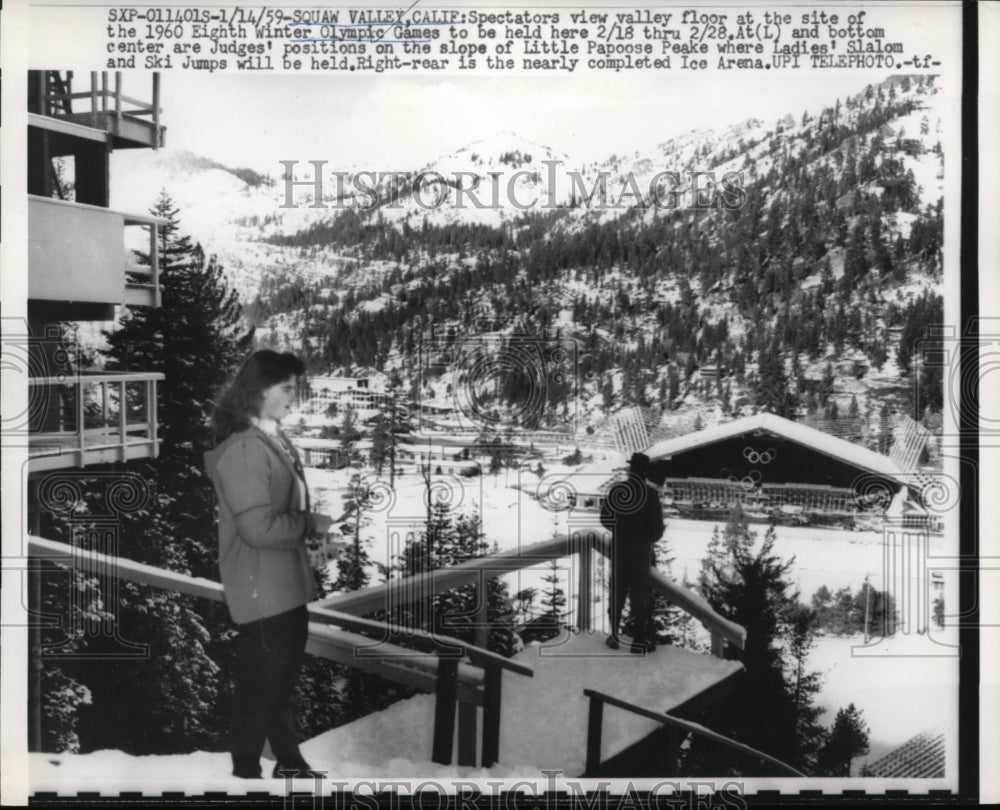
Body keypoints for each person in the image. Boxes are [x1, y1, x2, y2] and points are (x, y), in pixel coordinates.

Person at [205, 350, 332, 779]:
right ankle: (245, 773)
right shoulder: (244, 449)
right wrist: (308, 524)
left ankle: (288, 763)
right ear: (259, 391)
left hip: (281, 585)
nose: (294, 397)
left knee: (276, 683)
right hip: (263, 589)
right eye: (287, 389)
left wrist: (313, 533)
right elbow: (257, 529)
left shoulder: (268, 438)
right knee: (262, 686)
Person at [599, 452, 666, 654]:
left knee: (616, 594)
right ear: (645, 471)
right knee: (640, 597)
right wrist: (645, 537)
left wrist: (620, 531)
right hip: (640, 554)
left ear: (630, 469)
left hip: (619, 550)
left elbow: (605, 519)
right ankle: (638, 641)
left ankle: (614, 637)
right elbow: (656, 531)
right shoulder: (651, 495)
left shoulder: (617, 490)